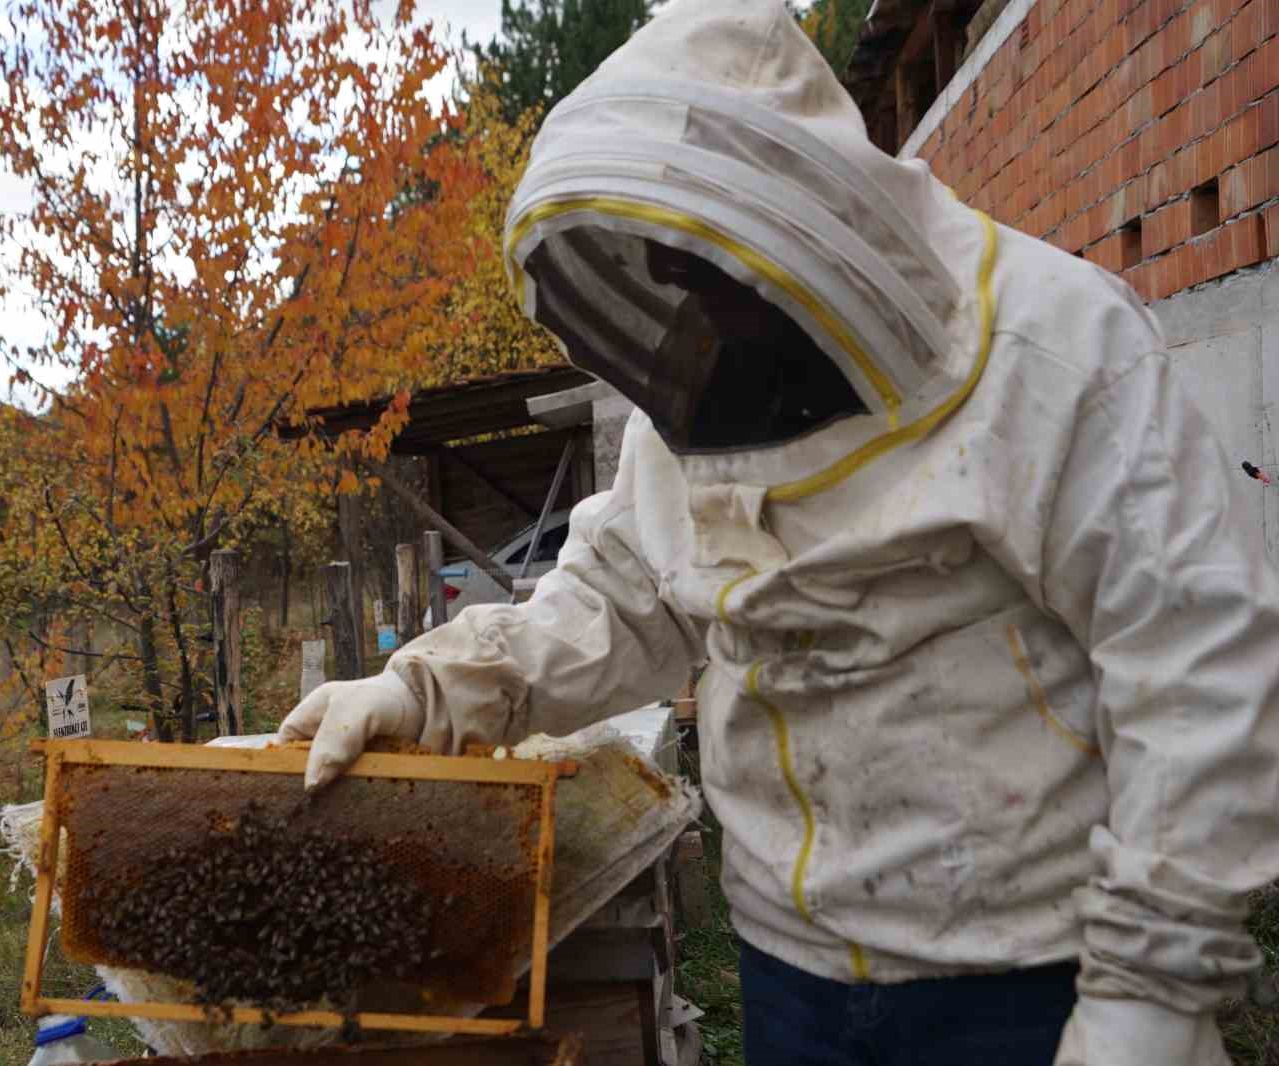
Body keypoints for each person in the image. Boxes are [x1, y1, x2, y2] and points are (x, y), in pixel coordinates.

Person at [279, 1, 1279, 1062]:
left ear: (811, 214)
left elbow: (1193, 666)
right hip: (786, 968)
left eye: (719, 268)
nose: (699, 306)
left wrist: (1150, 999)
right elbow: (617, 598)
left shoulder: (1058, 346)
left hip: (1034, 974)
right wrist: (417, 690)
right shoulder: (706, 398)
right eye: (675, 275)